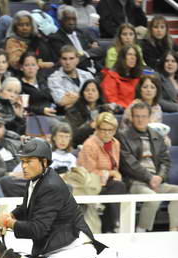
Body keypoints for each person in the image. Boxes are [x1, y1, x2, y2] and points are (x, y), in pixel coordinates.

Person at [119, 101, 178, 232]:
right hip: (135, 181)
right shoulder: (124, 136)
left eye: (143, 116)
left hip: (156, 181)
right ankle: (141, 231)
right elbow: (129, 164)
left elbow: (165, 161)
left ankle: (174, 231)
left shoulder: (156, 136)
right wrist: (149, 178)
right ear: (132, 117)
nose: (140, 120)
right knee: (153, 198)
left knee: (177, 192)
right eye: (137, 116)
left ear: (149, 117)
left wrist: (160, 177)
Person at [77, 112, 126, 233]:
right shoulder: (90, 144)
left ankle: (113, 226)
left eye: (111, 130)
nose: (107, 133)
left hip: (107, 183)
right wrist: (110, 174)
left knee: (119, 186)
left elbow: (115, 166)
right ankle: (114, 225)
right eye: (104, 129)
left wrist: (114, 174)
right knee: (117, 187)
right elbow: (88, 172)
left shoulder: (115, 143)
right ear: (97, 129)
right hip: (90, 184)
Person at [49, 5, 103, 73]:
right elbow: (71, 60)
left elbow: (100, 50)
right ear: (60, 20)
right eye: (67, 19)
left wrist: (85, 53)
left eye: (73, 19)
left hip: (96, 69)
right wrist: (89, 52)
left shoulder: (82, 32)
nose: (71, 22)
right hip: (77, 72)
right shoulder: (55, 38)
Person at [47, 45, 93, 112]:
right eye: (64, 59)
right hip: (67, 117)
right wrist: (87, 97)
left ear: (77, 60)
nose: (67, 62)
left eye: (71, 58)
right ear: (60, 60)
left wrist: (74, 97)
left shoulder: (87, 75)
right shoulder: (54, 79)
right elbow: (62, 101)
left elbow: (96, 97)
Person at [65, 78, 108, 147]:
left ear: (99, 94)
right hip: (80, 146)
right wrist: (90, 126)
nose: (90, 93)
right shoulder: (73, 111)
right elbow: (73, 136)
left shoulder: (105, 110)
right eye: (87, 90)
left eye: (93, 90)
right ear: (82, 93)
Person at [100, 44, 142, 110]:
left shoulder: (138, 76)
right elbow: (112, 101)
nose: (133, 57)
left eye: (135, 55)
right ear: (122, 58)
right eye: (129, 54)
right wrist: (131, 108)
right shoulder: (111, 77)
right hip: (119, 113)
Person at [19, 51, 56, 117]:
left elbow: (52, 98)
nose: (30, 68)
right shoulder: (19, 85)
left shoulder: (43, 80)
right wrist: (41, 110)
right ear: (21, 67)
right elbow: (24, 107)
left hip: (53, 112)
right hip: (35, 116)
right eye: (27, 65)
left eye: (33, 65)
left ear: (38, 66)